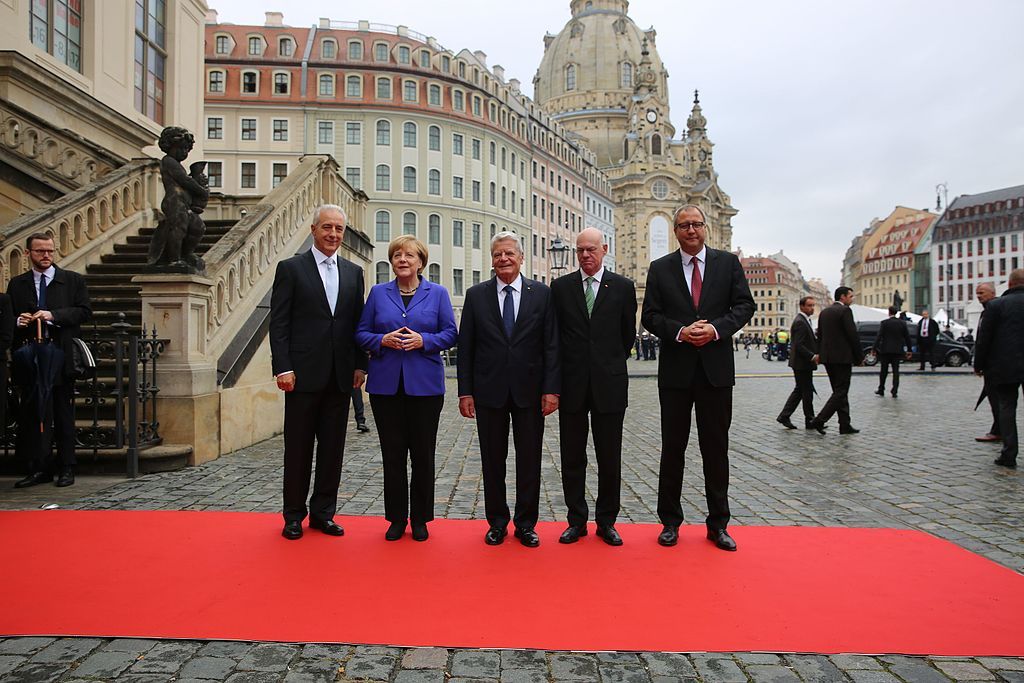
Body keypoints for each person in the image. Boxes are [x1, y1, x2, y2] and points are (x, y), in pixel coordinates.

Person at [641, 205, 754, 551]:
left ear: (706, 228)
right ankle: (670, 522)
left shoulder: (728, 263)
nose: (691, 230)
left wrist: (716, 330)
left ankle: (718, 524)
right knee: (672, 448)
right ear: (675, 231)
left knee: (715, 449)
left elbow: (743, 306)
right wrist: (680, 332)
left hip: (715, 373)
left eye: (696, 224)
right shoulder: (660, 269)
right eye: (684, 225)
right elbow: (650, 316)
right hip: (676, 372)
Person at [269, 205, 367, 540]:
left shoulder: (354, 273)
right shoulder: (291, 269)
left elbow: (357, 323)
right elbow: (279, 322)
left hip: (340, 378)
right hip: (301, 376)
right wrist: (283, 366)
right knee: (298, 449)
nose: (333, 235)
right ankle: (293, 515)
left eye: (339, 229)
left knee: (332, 450)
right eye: (327, 227)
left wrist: (359, 364)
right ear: (313, 229)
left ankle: (323, 513)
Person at [457, 232, 559, 547]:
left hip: (530, 392)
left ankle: (526, 524)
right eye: (498, 254)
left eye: (509, 254)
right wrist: (465, 391)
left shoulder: (541, 294)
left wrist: (551, 389)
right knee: (492, 460)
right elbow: (466, 348)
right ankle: (497, 522)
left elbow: (551, 345)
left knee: (529, 461)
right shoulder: (477, 296)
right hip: (489, 391)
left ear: (521, 257)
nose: (504, 259)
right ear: (492, 259)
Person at [356, 236, 457, 542]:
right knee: (393, 454)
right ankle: (397, 518)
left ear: (420, 262)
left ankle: (421, 518)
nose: (402, 259)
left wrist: (424, 341)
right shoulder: (378, 293)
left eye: (409, 255)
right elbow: (361, 332)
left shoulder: (437, 293)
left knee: (423, 454)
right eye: (397, 255)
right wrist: (380, 340)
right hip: (386, 386)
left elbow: (451, 332)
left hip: (425, 387)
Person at [551, 228, 636, 546]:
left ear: (605, 249)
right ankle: (576, 520)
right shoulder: (560, 287)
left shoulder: (623, 288)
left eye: (591, 249)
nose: (585, 255)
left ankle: (606, 521)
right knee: (572, 456)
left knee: (609, 456)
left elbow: (626, 335)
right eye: (580, 250)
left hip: (609, 384)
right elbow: (555, 336)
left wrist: (607, 363)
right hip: (572, 384)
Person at [9, 233, 92, 488]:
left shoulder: (72, 280)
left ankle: (67, 467)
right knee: (34, 413)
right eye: (40, 252)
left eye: (50, 251)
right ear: (28, 254)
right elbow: (9, 317)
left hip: (61, 355)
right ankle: (39, 467)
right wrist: (18, 321)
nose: (46, 256)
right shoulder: (17, 284)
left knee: (62, 411)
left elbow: (84, 312)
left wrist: (53, 315)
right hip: (30, 356)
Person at [973, 269, 1024, 469]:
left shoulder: (996, 306)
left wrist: (979, 365)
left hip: (1004, 365)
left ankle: (1009, 453)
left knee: (1006, 408)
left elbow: (984, 340)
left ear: (1009, 284)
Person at [808, 287, 864, 435]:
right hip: (842, 357)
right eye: (850, 296)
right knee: (841, 391)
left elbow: (820, 335)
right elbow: (852, 335)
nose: (852, 299)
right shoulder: (845, 311)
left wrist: (820, 353)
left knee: (838, 391)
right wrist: (859, 357)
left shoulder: (825, 312)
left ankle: (844, 424)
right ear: (843, 297)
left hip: (828, 358)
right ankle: (819, 420)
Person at [777, 296, 819, 429]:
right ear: (801, 306)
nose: (812, 308)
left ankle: (785, 416)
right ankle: (810, 420)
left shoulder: (805, 320)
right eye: (809, 305)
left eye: (813, 305)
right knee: (806, 391)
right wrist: (812, 356)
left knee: (801, 390)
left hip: (801, 363)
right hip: (802, 363)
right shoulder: (800, 322)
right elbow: (799, 345)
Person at [973, 282, 1001, 443]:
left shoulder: (992, 309)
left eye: (982, 293)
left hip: (995, 363)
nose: (979, 296)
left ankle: (999, 430)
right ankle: (998, 428)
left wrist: (979, 364)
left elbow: (984, 340)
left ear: (992, 292)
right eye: (977, 293)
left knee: (997, 399)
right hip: (998, 362)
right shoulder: (989, 309)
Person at [873, 306, 912, 398]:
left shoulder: (884, 323)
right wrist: (909, 350)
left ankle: (881, 389)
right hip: (897, 351)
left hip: (885, 350)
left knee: (883, 371)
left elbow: (879, 336)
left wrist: (874, 348)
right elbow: (907, 337)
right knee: (896, 371)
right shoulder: (902, 323)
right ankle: (894, 390)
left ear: (889, 312)